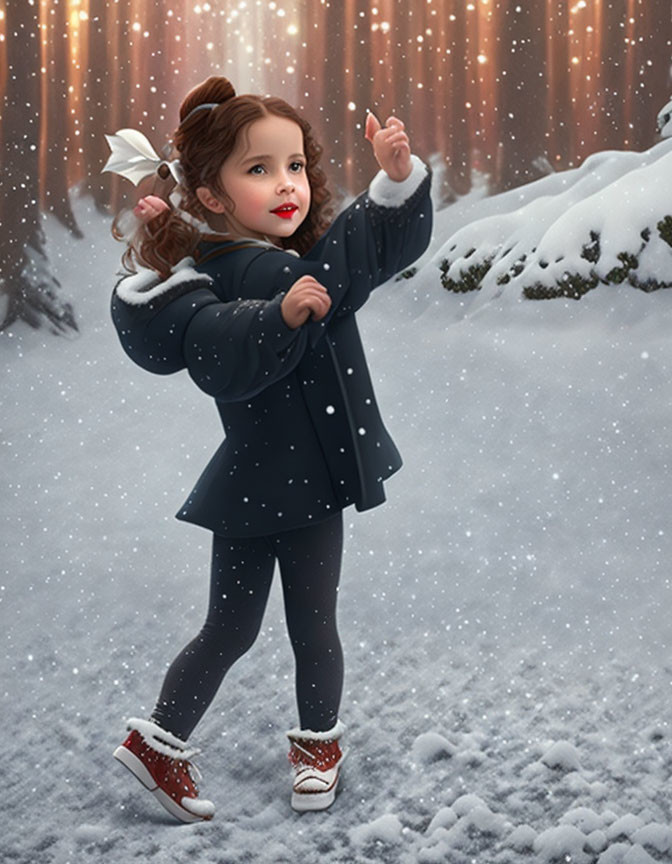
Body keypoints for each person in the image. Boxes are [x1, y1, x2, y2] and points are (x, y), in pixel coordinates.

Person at [107, 75, 432, 824]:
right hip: (286, 481)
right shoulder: (228, 272)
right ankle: (299, 747)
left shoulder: (283, 257)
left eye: (293, 166)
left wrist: (394, 178)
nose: (285, 185)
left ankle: (210, 745)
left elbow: (348, 260)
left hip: (267, 483)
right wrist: (276, 317)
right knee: (284, 624)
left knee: (265, 624)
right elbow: (212, 347)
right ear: (212, 194)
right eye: (258, 169)